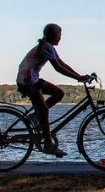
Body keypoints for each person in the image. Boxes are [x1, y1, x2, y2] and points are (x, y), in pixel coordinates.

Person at [16, 23, 92, 157]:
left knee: (59, 93)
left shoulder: (48, 46)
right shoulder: (46, 47)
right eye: (59, 35)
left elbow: (62, 63)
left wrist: (79, 76)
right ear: (52, 35)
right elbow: (58, 68)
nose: (61, 37)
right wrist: (78, 78)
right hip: (27, 82)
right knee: (44, 110)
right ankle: (48, 144)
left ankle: (34, 116)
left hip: (31, 79)